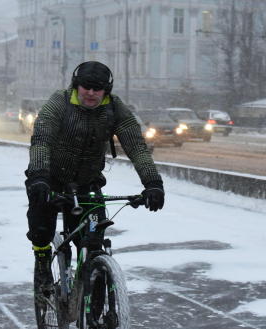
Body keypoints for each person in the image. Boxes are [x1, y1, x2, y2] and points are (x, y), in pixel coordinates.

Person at [24, 61, 165, 291]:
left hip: (87, 182)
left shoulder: (114, 108)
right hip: (49, 178)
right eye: (85, 87)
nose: (90, 93)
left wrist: (153, 183)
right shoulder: (59, 102)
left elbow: (137, 147)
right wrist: (39, 176)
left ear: (106, 91)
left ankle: (94, 301)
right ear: (76, 85)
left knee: (91, 240)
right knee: (41, 228)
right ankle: (42, 264)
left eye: (97, 88)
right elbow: (41, 140)